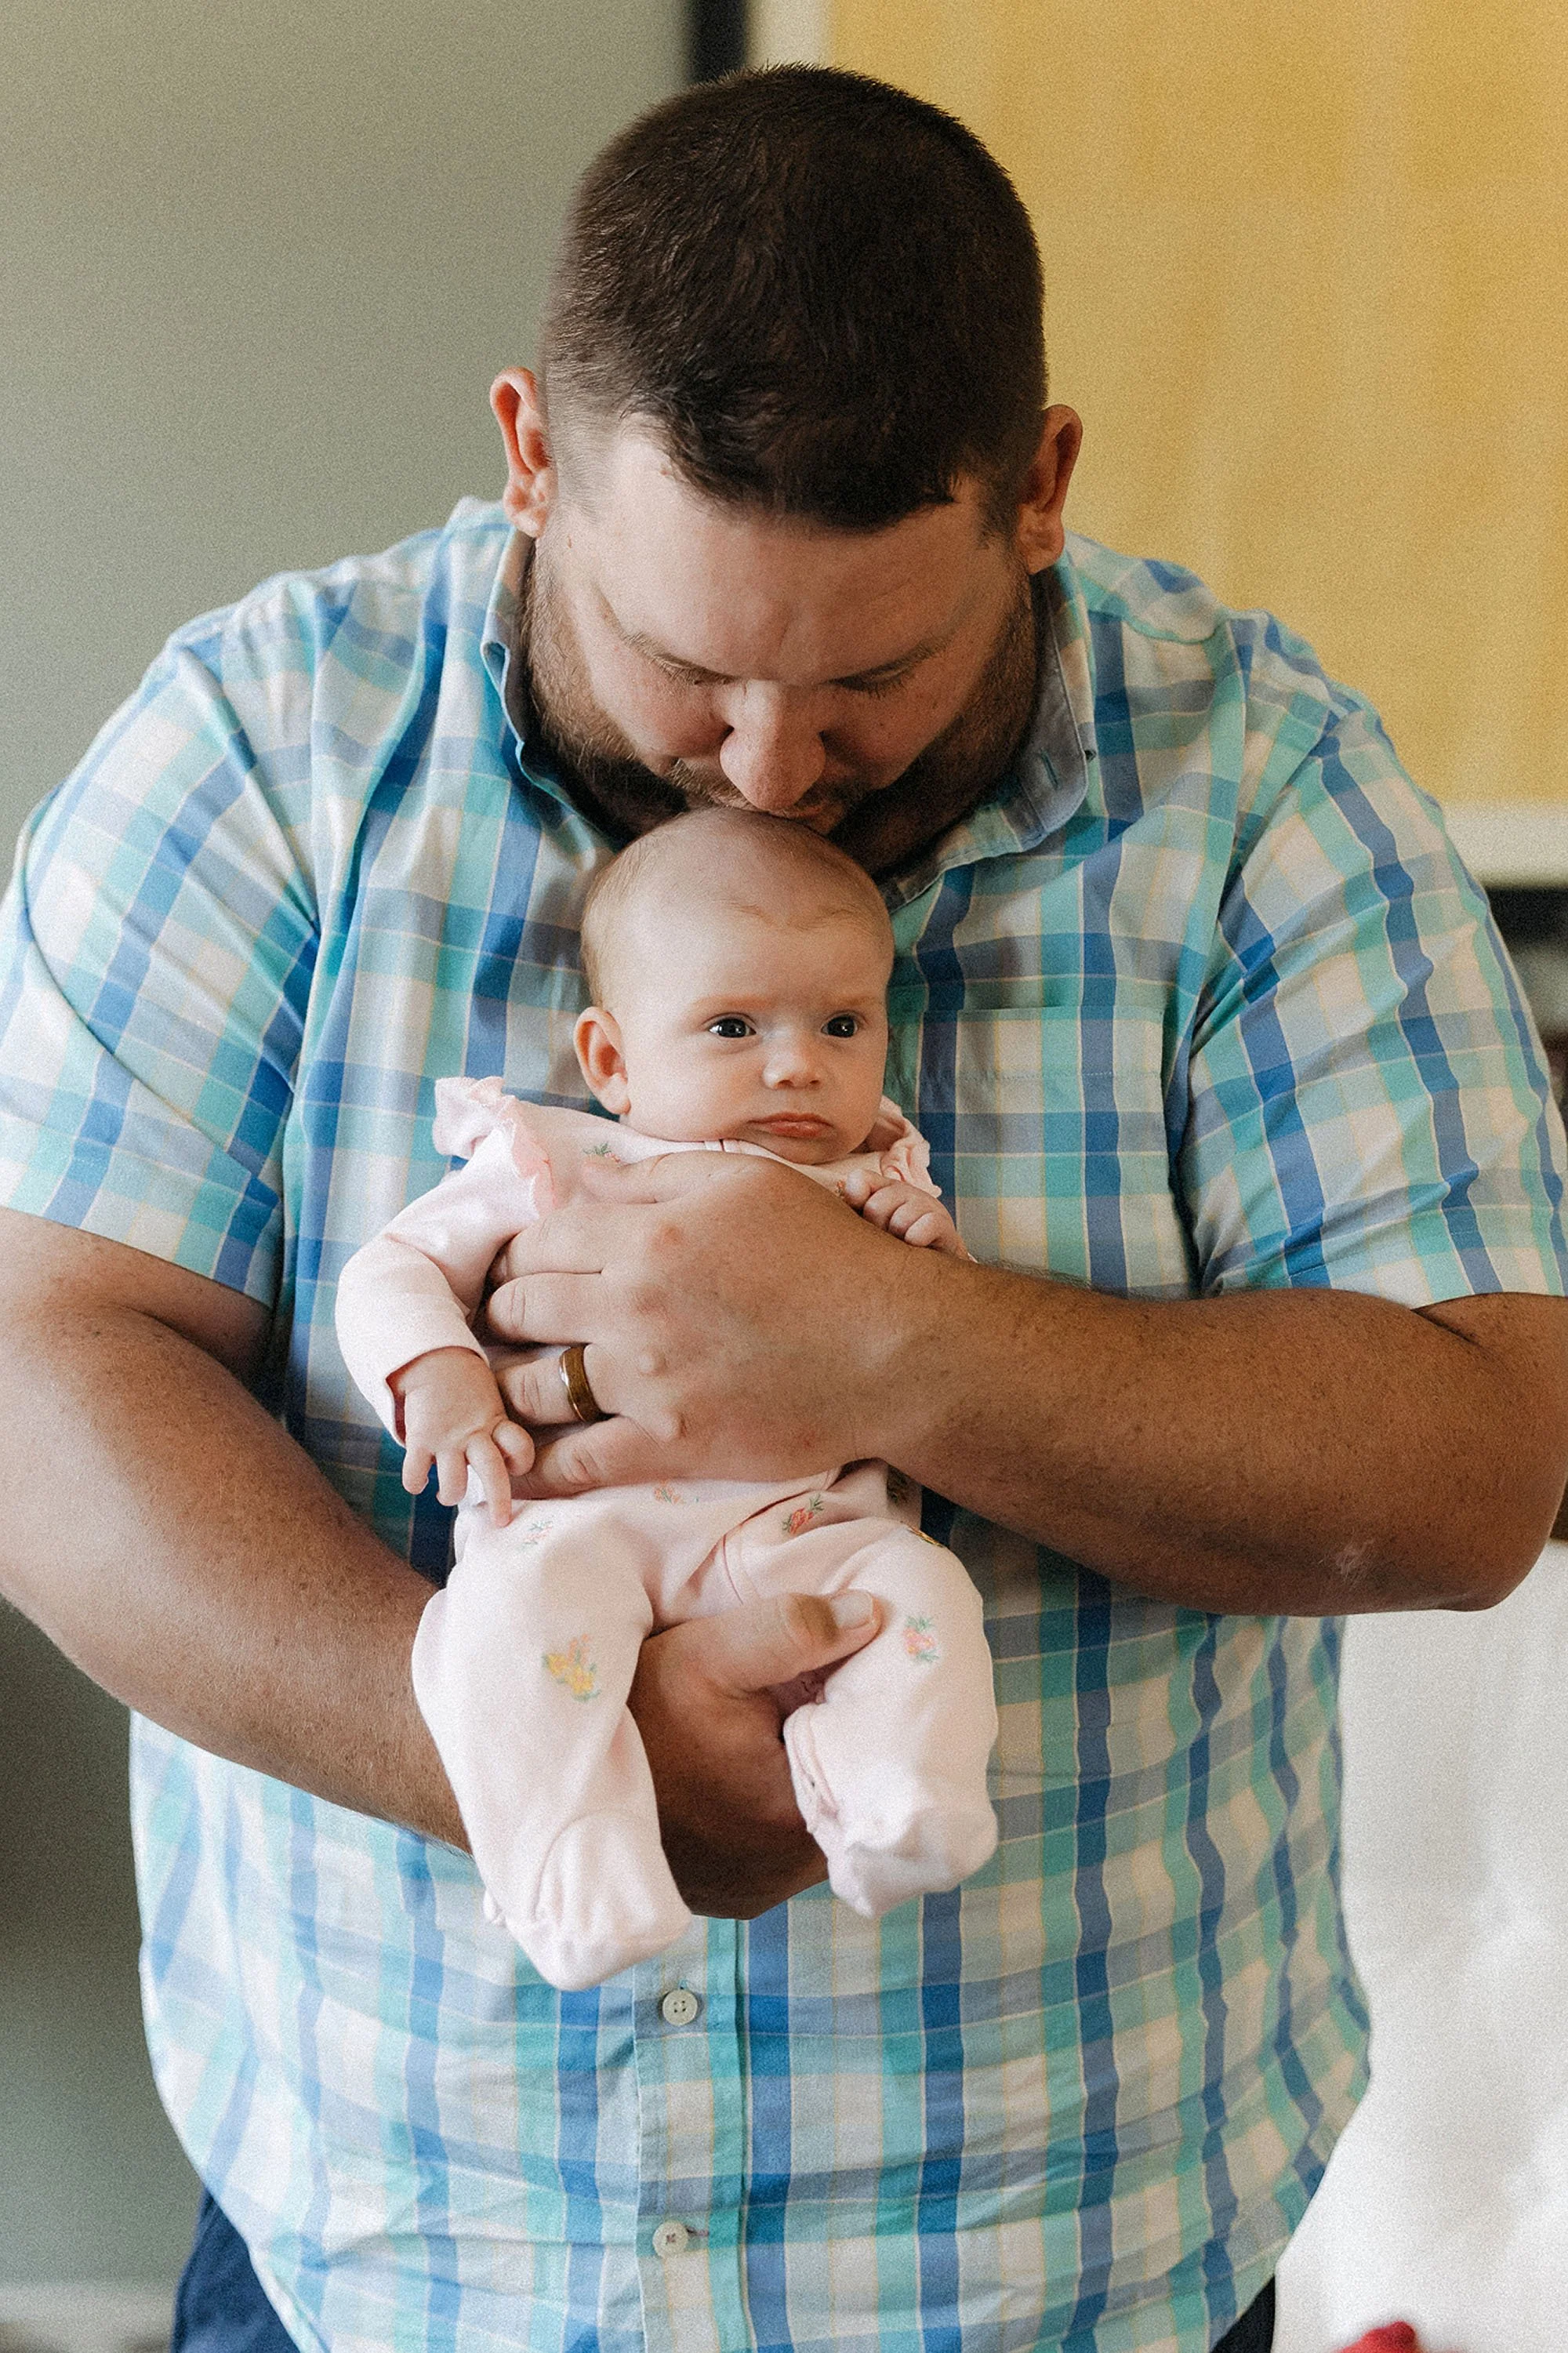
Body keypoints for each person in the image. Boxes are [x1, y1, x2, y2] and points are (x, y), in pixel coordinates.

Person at [1, 60, 1565, 2353]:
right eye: (688, 662)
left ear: (1038, 493)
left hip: (1079, 2282)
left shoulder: (1262, 797)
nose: (763, 764)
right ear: (532, 457)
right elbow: (42, 1364)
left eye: (871, 678)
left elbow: (1477, 1464)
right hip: (386, 2265)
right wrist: (519, 1755)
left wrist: (875, 1337)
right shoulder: (268, 752)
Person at [335, 808, 996, 1989]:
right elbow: (395, 1269)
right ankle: (575, 1882)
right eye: (734, 1025)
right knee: (505, 1642)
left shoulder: (875, 1178)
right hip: (582, 1528)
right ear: (612, 1061)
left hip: (805, 1534)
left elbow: (937, 1358)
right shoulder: (559, 1160)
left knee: (920, 1589)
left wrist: (924, 1257)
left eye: (841, 1024)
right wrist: (436, 1376)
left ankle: (899, 1792)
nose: (798, 1062)